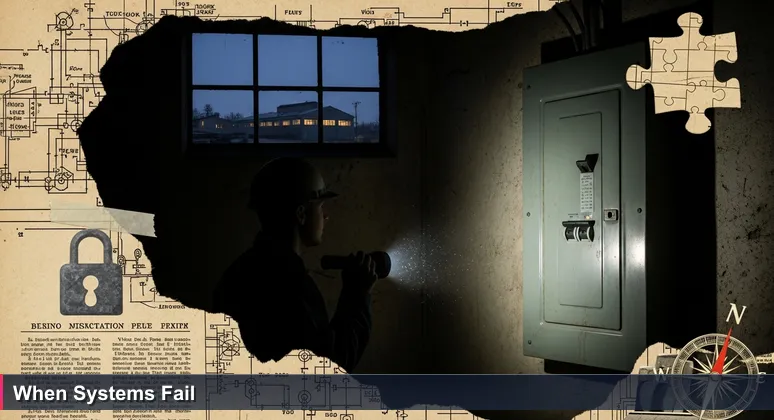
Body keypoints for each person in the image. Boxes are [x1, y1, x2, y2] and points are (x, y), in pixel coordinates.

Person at [212, 157, 378, 373]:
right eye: (320, 206)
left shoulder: (238, 274)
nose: (326, 216)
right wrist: (357, 295)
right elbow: (331, 367)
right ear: (301, 214)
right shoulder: (291, 285)